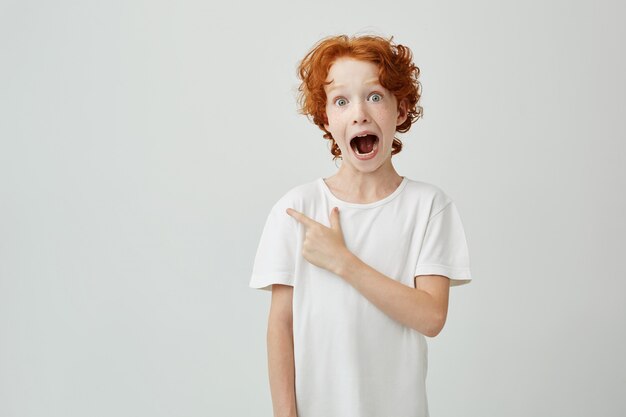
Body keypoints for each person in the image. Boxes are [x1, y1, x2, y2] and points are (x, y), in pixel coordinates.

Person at [249, 34, 472, 417]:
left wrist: (343, 262)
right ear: (326, 119)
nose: (359, 114)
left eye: (374, 96)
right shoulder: (296, 209)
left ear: (400, 110)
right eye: (341, 101)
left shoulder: (429, 206)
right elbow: (280, 326)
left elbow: (432, 317)